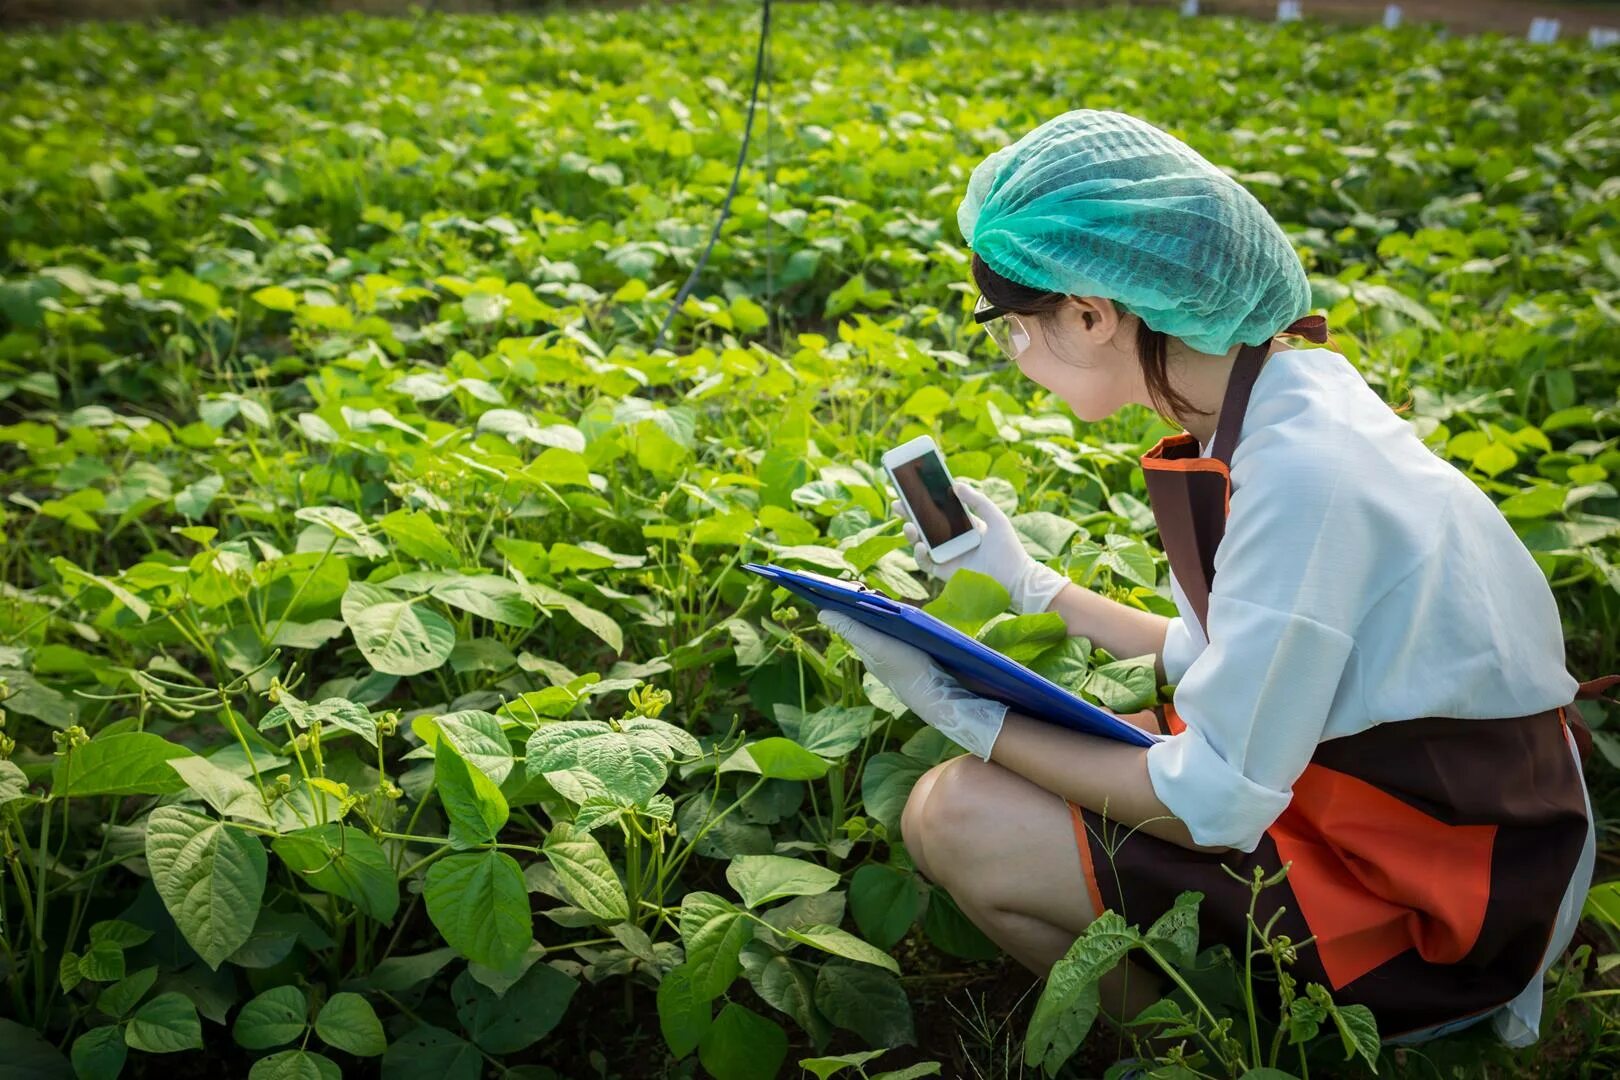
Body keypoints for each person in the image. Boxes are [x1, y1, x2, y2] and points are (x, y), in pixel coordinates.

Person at [815, 108, 1617, 1051]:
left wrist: (969, 715)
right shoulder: (1285, 399)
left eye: (1008, 330)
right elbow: (1226, 652)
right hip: (1394, 803)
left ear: (1089, 314)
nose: (1014, 356)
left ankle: (1191, 1057)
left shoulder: (1306, 474)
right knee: (975, 802)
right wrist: (1032, 587)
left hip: (1440, 895)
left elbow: (1215, 799)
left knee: (957, 817)